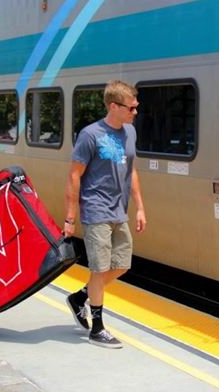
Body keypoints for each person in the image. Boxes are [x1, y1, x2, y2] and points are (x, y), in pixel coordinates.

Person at [63, 80, 146, 349]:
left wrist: (140, 207)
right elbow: (75, 176)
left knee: (121, 264)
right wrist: (70, 218)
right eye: (132, 107)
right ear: (114, 106)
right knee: (99, 269)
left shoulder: (130, 132)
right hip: (96, 209)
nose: (135, 112)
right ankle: (97, 328)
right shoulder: (90, 135)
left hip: (119, 211)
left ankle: (80, 297)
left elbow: (132, 171)